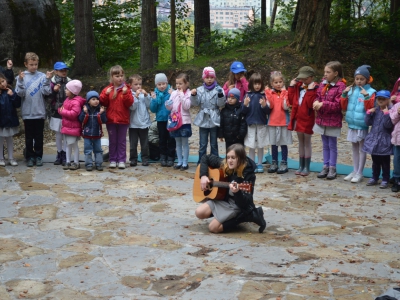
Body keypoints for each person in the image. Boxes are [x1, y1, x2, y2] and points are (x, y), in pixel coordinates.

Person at [194, 143, 266, 233]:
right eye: (228, 157)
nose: (230, 161)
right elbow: (205, 157)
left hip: (236, 204)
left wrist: (237, 192)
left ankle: (243, 217)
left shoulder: (248, 174)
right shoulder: (225, 164)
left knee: (213, 228)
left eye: (233, 158)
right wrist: (204, 175)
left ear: (240, 159)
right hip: (223, 198)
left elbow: (246, 201)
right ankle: (222, 216)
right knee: (199, 213)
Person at [15, 52, 52, 167]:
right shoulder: (21, 77)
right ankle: (30, 156)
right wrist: (20, 81)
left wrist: (47, 80)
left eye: (36, 64)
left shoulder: (41, 76)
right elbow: (20, 93)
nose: (34, 67)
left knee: (39, 137)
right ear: (26, 64)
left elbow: (47, 91)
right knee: (29, 137)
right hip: (27, 113)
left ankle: (39, 156)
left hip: (39, 112)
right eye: (31, 64)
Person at [340, 65, 376, 183]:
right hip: (352, 123)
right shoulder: (351, 90)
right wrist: (344, 95)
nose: (359, 81)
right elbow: (344, 107)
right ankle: (354, 170)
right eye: (357, 79)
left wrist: (366, 96)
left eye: (362, 79)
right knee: (354, 148)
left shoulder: (371, 92)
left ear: (367, 79)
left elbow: (370, 109)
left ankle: (360, 172)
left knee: (362, 149)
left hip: (362, 124)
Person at [313, 61, 346, 180]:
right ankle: (325, 166)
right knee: (325, 144)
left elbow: (338, 105)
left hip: (333, 120)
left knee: (332, 145)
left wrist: (323, 104)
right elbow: (318, 96)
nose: (325, 74)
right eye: (324, 72)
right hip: (322, 119)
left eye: (328, 72)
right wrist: (316, 102)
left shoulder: (341, 86)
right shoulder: (323, 83)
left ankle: (333, 167)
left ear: (336, 73)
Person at [100, 65, 134, 169]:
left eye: (121, 75)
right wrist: (106, 94)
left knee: (122, 141)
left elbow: (130, 103)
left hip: (123, 119)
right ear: (112, 77)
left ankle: (122, 160)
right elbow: (102, 102)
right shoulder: (107, 89)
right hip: (111, 119)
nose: (120, 78)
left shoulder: (126, 89)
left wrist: (125, 94)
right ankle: (113, 159)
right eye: (117, 76)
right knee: (112, 140)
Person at [191, 67, 225, 164]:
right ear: (203, 78)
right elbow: (196, 103)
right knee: (202, 144)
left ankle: (215, 162)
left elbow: (221, 104)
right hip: (203, 119)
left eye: (211, 77)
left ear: (214, 78)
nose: (209, 79)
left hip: (214, 119)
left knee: (214, 144)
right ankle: (201, 162)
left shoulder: (219, 89)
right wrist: (193, 95)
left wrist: (220, 95)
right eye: (207, 77)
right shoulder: (199, 90)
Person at [288, 66, 318, 176]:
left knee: (307, 142)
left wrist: (310, 90)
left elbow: (310, 104)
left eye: (305, 79)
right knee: (300, 142)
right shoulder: (298, 87)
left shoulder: (315, 87)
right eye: (302, 79)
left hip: (308, 118)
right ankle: (301, 165)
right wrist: (291, 87)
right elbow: (291, 100)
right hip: (298, 117)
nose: (303, 81)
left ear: (311, 77)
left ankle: (306, 166)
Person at [362, 90, 393, 189]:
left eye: (383, 99)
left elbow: (388, 125)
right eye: (379, 98)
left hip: (384, 141)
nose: (380, 100)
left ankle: (385, 179)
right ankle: (374, 177)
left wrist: (386, 114)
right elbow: (368, 123)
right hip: (374, 140)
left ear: (388, 100)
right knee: (375, 161)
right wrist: (368, 113)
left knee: (385, 162)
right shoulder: (375, 110)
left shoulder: (391, 110)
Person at [241, 72, 270, 173]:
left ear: (261, 84)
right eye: (255, 84)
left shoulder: (264, 96)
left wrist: (264, 105)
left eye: (259, 83)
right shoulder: (247, 95)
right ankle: (252, 164)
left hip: (261, 124)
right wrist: (245, 105)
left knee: (260, 145)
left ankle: (260, 164)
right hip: (251, 125)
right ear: (251, 84)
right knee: (251, 145)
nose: (257, 86)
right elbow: (243, 112)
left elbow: (268, 111)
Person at [265, 71, 292, 174]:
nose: (278, 84)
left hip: (283, 122)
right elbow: (270, 106)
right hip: (272, 122)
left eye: (280, 82)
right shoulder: (270, 93)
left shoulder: (286, 93)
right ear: (272, 83)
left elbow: (285, 106)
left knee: (283, 143)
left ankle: (284, 162)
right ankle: (274, 162)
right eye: (276, 82)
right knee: (274, 144)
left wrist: (284, 93)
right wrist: (268, 94)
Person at [165, 73, 192, 170]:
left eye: (181, 83)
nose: (178, 86)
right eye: (177, 84)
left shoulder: (188, 94)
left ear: (187, 84)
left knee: (185, 142)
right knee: (177, 142)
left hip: (184, 121)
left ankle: (185, 163)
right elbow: (170, 107)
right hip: (175, 121)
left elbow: (187, 106)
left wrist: (181, 95)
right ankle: (179, 162)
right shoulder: (173, 93)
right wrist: (168, 104)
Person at [58, 80, 85, 170]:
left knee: (74, 145)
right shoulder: (68, 99)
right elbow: (63, 108)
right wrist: (60, 110)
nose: (65, 90)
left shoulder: (76, 102)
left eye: (67, 89)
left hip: (73, 128)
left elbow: (74, 114)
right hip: (67, 127)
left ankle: (76, 162)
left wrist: (62, 111)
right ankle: (68, 161)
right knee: (67, 145)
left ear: (73, 91)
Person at [48, 61, 71, 166]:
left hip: (67, 111)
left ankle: (66, 154)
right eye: (61, 70)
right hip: (56, 111)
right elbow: (48, 98)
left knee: (66, 133)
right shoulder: (51, 82)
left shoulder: (70, 82)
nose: (64, 72)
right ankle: (59, 153)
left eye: (65, 70)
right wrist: (54, 90)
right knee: (58, 134)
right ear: (56, 71)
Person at [150, 73, 175, 167]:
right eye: (159, 84)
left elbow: (175, 105)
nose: (162, 86)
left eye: (163, 83)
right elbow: (153, 109)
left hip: (171, 120)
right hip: (160, 120)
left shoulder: (171, 92)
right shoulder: (155, 94)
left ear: (167, 82)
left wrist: (173, 95)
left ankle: (171, 156)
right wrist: (154, 100)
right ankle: (163, 157)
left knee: (171, 138)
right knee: (162, 138)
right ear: (156, 85)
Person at [79, 91, 107, 171]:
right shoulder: (85, 109)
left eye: (97, 99)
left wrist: (102, 113)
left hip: (97, 134)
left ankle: (98, 164)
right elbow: (80, 119)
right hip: (87, 134)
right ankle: (89, 164)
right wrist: (84, 112)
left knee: (98, 149)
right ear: (88, 101)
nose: (96, 101)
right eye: (93, 99)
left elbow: (104, 120)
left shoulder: (100, 110)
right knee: (87, 149)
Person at [128, 74, 151, 167]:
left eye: (140, 84)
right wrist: (136, 97)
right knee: (133, 144)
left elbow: (149, 105)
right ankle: (133, 159)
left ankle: (145, 158)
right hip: (133, 124)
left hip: (144, 123)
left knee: (144, 143)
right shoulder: (129, 95)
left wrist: (146, 96)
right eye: (136, 84)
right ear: (130, 85)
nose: (138, 86)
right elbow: (132, 107)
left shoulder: (144, 94)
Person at [0, 73, 21, 166]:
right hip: (1, 121)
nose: (3, 84)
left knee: (10, 139)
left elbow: (17, 104)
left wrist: (12, 95)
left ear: (6, 80)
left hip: (10, 119)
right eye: (0, 83)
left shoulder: (11, 90)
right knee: (0, 140)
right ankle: (1, 158)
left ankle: (11, 158)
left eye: (3, 81)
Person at [389, 93, 400, 192]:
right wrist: (398, 113)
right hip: (398, 139)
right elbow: (392, 120)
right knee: (396, 160)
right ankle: (396, 179)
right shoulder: (397, 106)